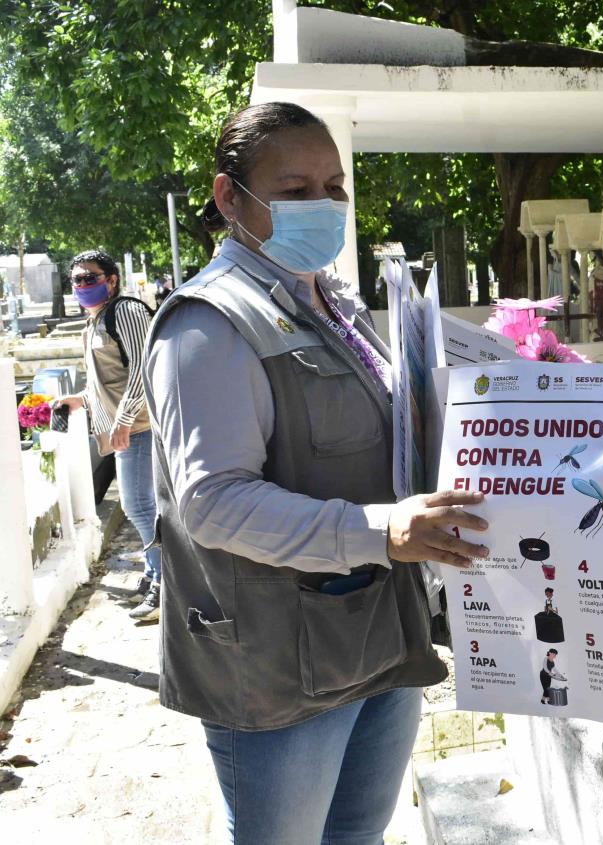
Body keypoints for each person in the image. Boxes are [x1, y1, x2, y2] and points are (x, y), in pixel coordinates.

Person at [143, 102, 489, 845]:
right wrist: (384, 528)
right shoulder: (209, 323)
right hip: (272, 666)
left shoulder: (333, 304)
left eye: (333, 187)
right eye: (295, 189)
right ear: (229, 197)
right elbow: (212, 502)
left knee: (357, 834)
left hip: (374, 635)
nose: (323, 206)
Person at [55, 250, 161, 621]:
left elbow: (143, 369)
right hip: (123, 427)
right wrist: (79, 400)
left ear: (111, 280)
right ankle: (154, 575)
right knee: (143, 506)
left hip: (140, 427)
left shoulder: (126, 312)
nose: (83, 285)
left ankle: (164, 585)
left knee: (140, 506)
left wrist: (125, 418)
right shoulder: (95, 322)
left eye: (90, 277)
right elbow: (106, 381)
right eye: (77, 280)